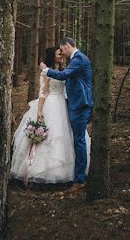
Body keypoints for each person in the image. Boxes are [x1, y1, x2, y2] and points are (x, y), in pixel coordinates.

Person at [11, 47, 89, 185]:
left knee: (66, 137)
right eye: (59, 53)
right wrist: (39, 111)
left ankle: (71, 172)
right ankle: (41, 172)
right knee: (51, 138)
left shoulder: (63, 70)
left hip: (64, 105)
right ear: (53, 56)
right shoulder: (46, 72)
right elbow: (42, 92)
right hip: (51, 103)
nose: (62, 55)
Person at [39, 36, 93, 186]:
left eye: (62, 50)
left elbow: (63, 76)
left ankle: (80, 178)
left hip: (80, 104)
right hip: (71, 104)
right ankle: (77, 175)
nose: (62, 53)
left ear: (67, 46)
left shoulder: (78, 59)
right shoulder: (75, 60)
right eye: (59, 52)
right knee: (75, 139)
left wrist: (46, 69)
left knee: (79, 140)